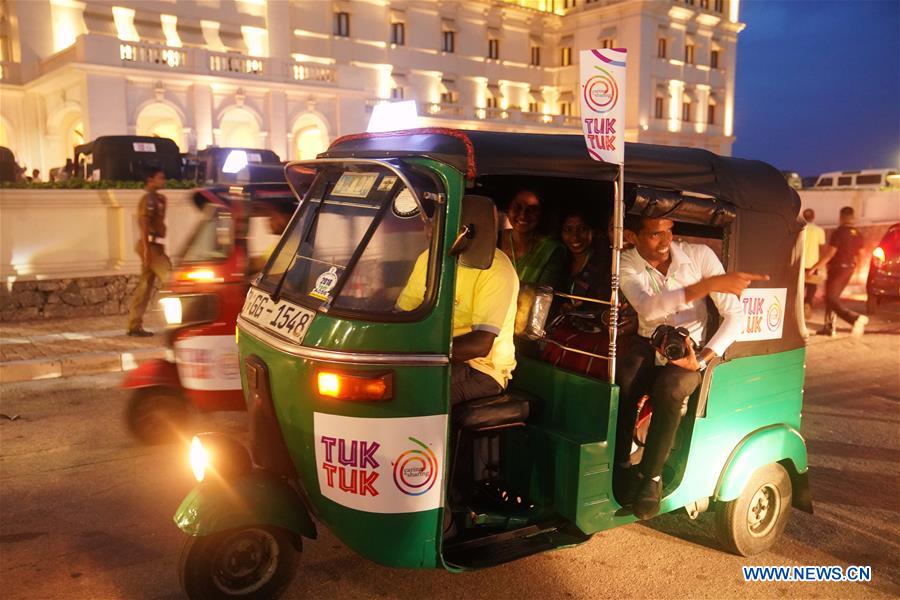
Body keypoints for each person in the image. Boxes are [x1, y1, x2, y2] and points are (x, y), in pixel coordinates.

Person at [615, 215, 768, 519]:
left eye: (669, 232)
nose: (666, 241)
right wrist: (706, 286)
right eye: (656, 235)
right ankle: (620, 464)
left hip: (689, 349)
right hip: (647, 342)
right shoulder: (625, 262)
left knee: (671, 389)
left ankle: (652, 477)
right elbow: (647, 307)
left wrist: (700, 359)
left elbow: (734, 315)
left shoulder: (699, 256)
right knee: (623, 380)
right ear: (632, 235)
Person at [398, 208, 519, 405]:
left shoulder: (495, 268)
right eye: (430, 222)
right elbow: (404, 313)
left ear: (465, 229)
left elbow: (480, 345)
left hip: (480, 368)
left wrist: (419, 354)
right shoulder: (428, 257)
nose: (429, 231)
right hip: (432, 356)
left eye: (438, 223)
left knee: (415, 397)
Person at [126, 166, 171, 337]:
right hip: (150, 247)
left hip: (154, 246)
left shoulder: (158, 199)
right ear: (150, 180)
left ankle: (134, 325)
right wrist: (146, 250)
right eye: (160, 177)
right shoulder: (149, 200)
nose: (163, 180)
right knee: (172, 279)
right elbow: (143, 225)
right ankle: (184, 321)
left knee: (144, 287)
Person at [810, 206, 868, 337]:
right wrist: (856, 268)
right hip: (849, 268)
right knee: (833, 298)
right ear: (853, 217)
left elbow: (830, 254)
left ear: (841, 217)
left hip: (837, 269)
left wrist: (816, 266)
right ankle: (829, 327)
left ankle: (854, 318)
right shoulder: (857, 233)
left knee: (829, 298)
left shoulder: (839, 232)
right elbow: (862, 254)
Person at [498, 190, 566, 288]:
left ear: (541, 214)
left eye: (532, 210)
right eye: (518, 207)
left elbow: (542, 293)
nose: (523, 215)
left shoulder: (552, 250)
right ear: (508, 210)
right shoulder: (492, 240)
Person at [802, 208, 826, 319]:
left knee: (799, 287)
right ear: (813, 217)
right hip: (813, 265)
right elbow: (822, 250)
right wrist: (821, 265)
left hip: (799, 265)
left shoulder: (799, 229)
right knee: (811, 288)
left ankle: (796, 307)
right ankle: (807, 304)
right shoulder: (819, 231)